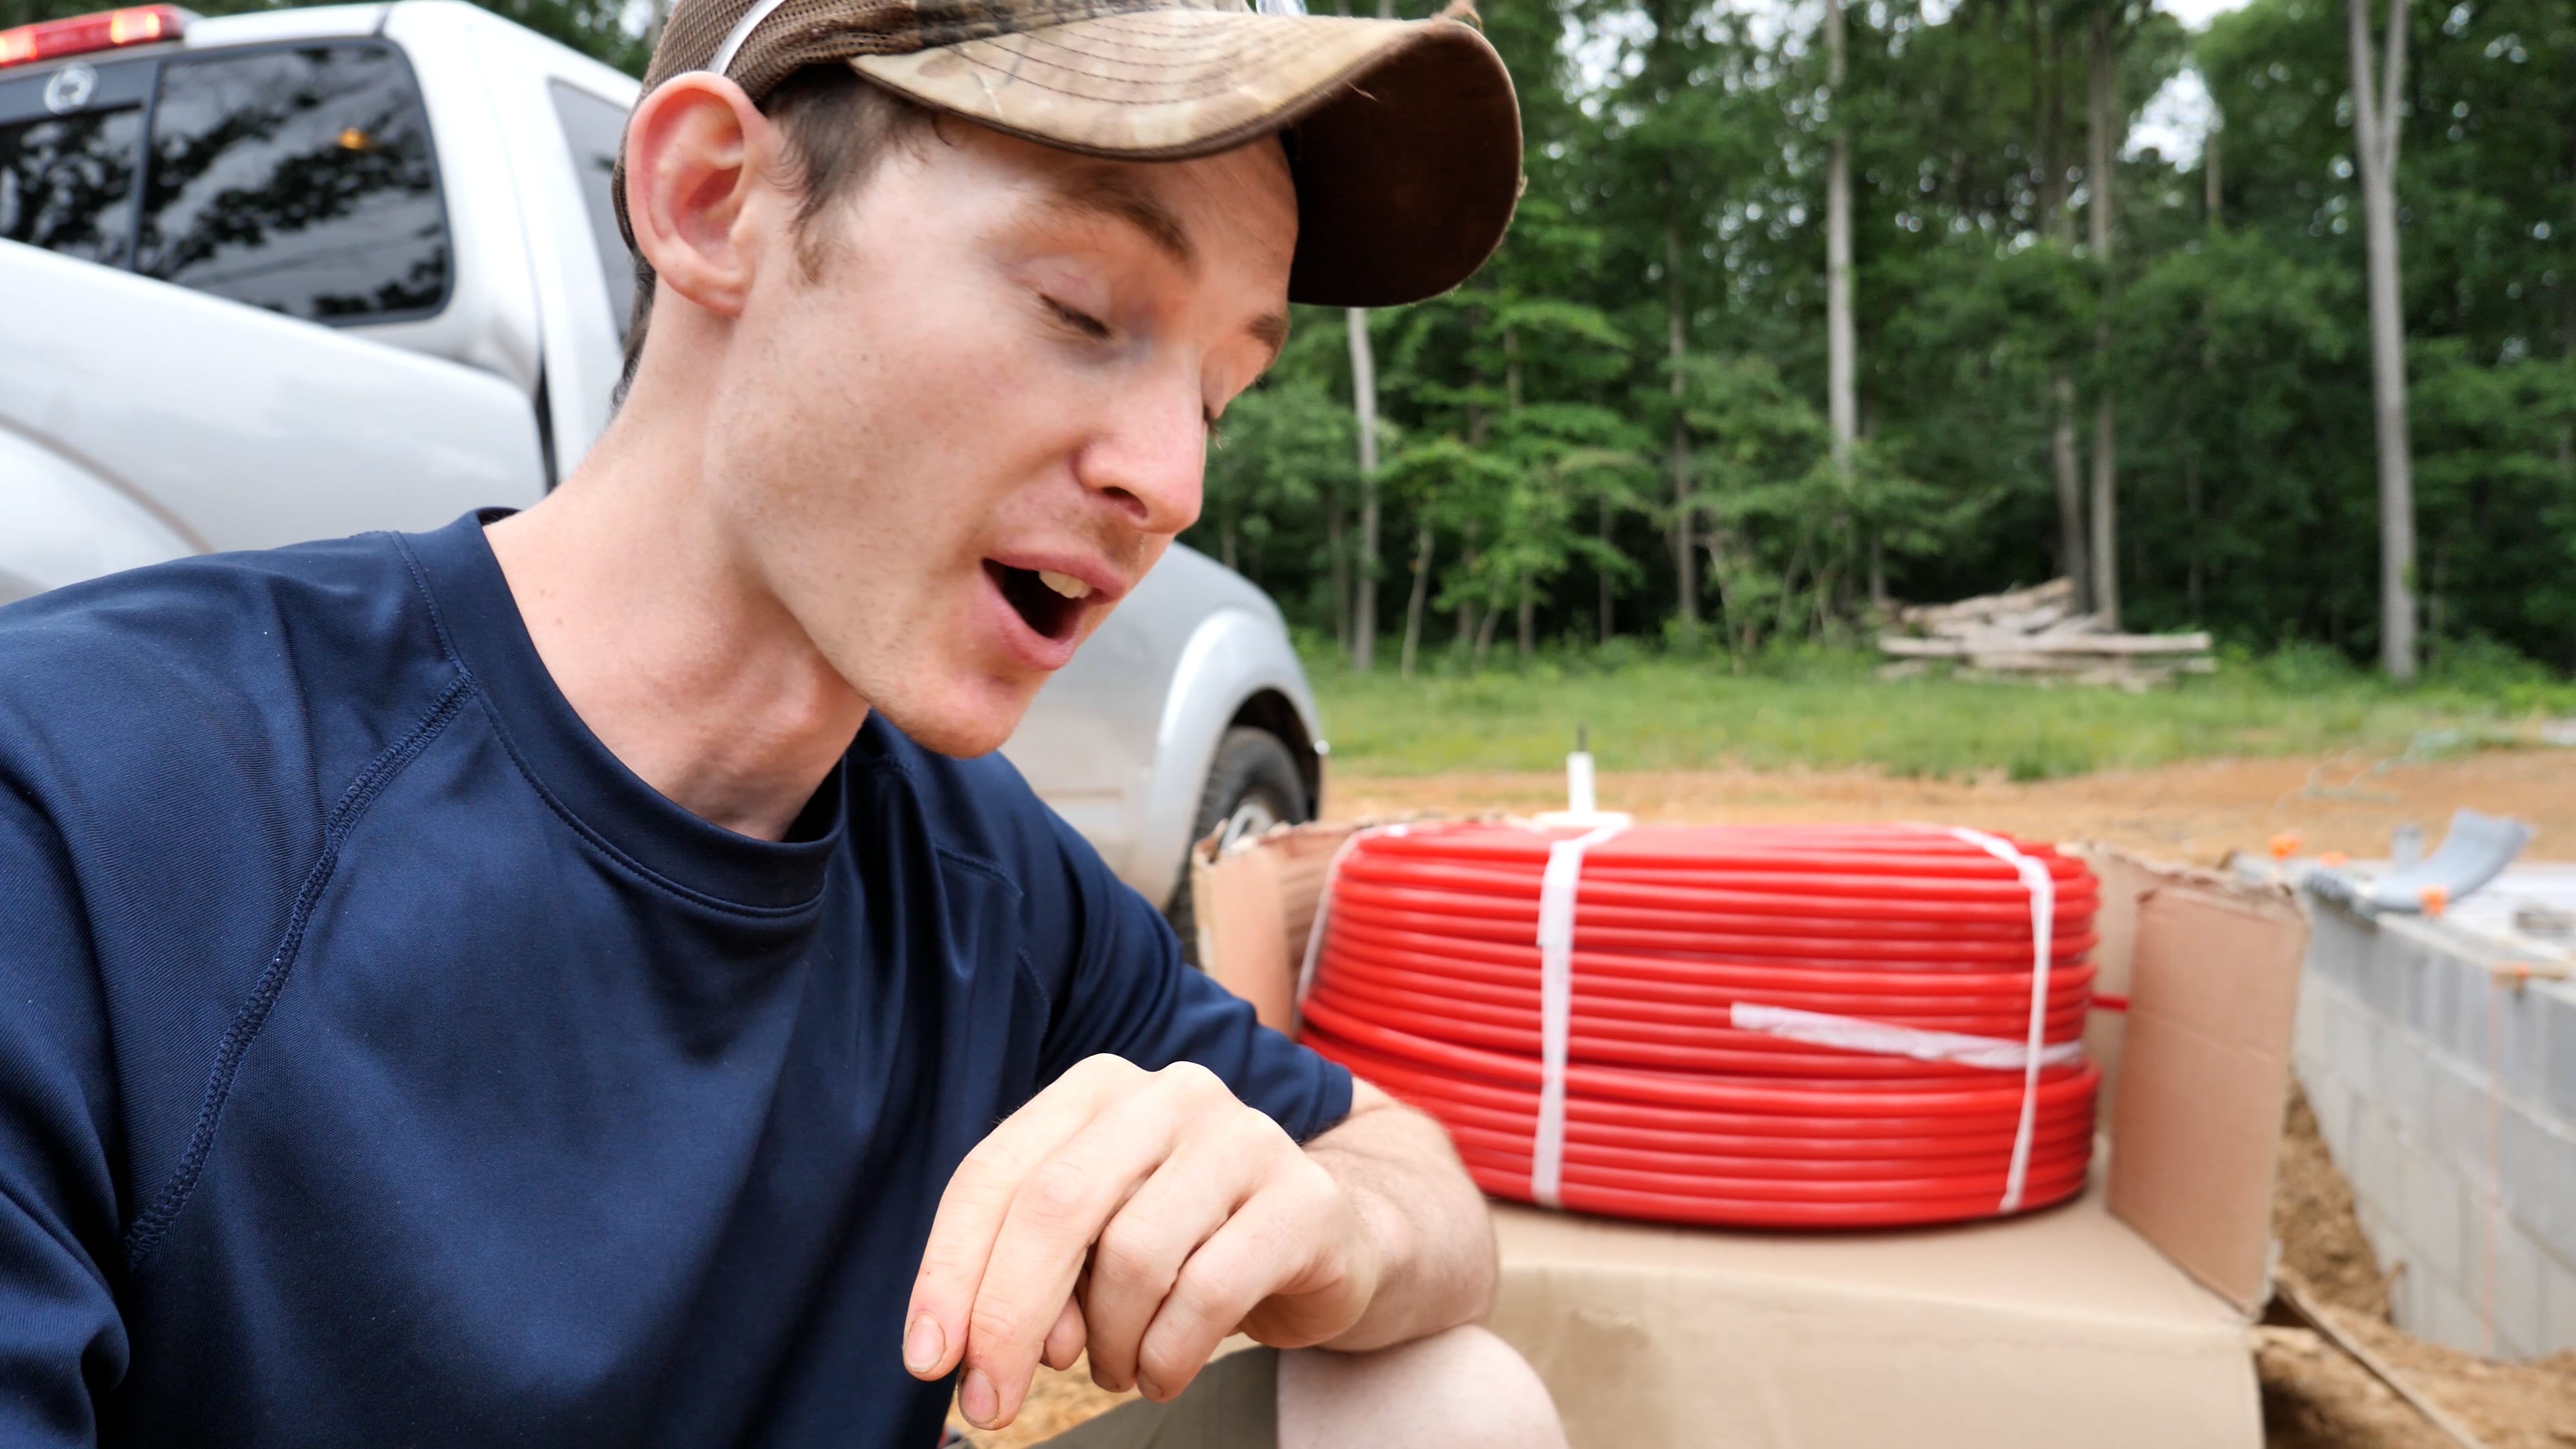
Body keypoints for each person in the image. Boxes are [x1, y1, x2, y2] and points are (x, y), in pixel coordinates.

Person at [0, 0, 1563, 1444]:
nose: (1173, 480)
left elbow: (1421, 1189)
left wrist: (1326, 1221)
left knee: (1444, 1399)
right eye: (1084, 308)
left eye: (1222, 390)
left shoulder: (988, 892)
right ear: (709, 202)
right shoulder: (92, 803)